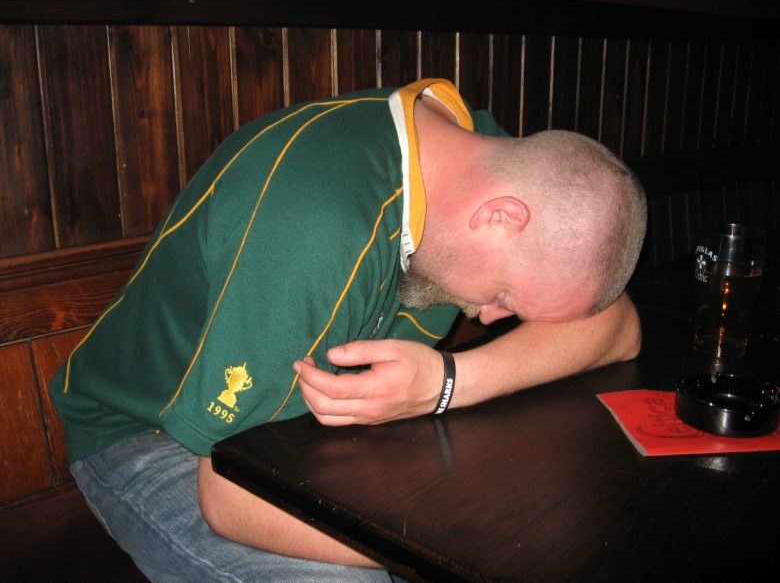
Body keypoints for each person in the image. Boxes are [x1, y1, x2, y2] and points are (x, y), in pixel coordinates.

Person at [51, 78, 646, 582]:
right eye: (503, 296)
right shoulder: (314, 225)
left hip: (308, 439)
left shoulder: (476, 156)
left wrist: (447, 380)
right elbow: (232, 493)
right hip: (148, 435)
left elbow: (616, 326)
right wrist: (483, 537)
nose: (490, 318)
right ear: (499, 218)